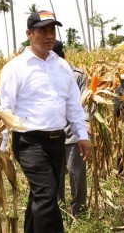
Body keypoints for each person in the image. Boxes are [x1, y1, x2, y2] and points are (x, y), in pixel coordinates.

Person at [0, 11, 90, 232]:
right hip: (29, 142)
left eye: (52, 30)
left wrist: (82, 135)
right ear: (29, 34)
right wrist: (0, 147)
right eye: (43, 31)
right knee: (48, 195)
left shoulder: (62, 66)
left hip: (56, 141)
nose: (50, 36)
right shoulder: (15, 68)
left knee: (40, 194)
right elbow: (4, 110)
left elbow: (73, 105)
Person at [52, 41, 88, 218]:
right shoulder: (43, 75)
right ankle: (59, 209)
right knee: (56, 176)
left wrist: (85, 128)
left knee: (77, 175)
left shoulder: (77, 75)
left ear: (63, 56)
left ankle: (79, 213)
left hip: (73, 133)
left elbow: (85, 104)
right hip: (53, 134)